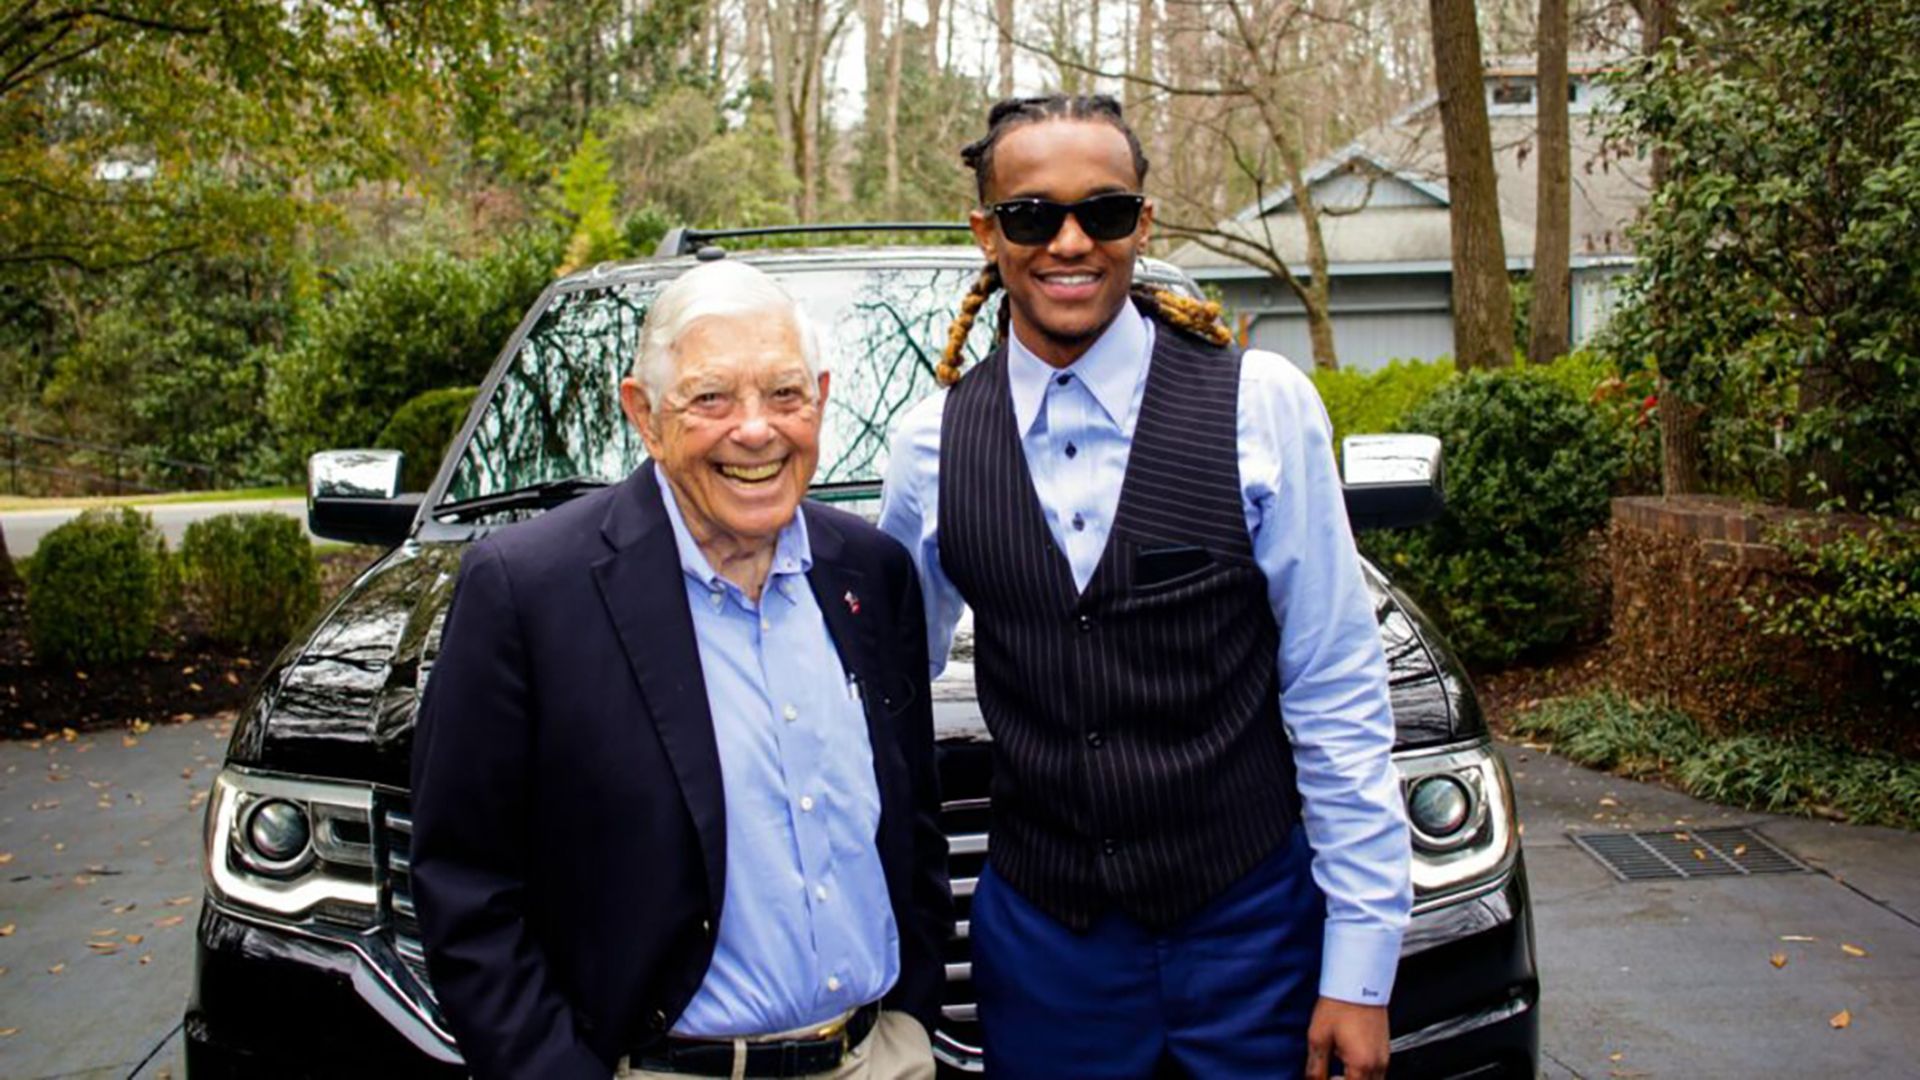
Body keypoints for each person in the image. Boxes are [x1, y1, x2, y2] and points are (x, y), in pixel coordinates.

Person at [879, 95, 1411, 1080]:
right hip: (1047, 948)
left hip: (1254, 932)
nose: (1070, 241)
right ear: (987, 233)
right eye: (1034, 215)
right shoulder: (932, 445)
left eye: (1105, 212)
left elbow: (1336, 685)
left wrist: (1361, 968)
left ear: (1144, 223)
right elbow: (886, 703)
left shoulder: (1262, 405)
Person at [410, 259, 951, 1080]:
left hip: (877, 1057)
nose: (756, 430)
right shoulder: (528, 591)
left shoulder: (871, 574)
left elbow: (911, 828)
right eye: (711, 399)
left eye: (784, 394)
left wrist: (909, 1021)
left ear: (822, 397)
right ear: (644, 413)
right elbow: (464, 886)